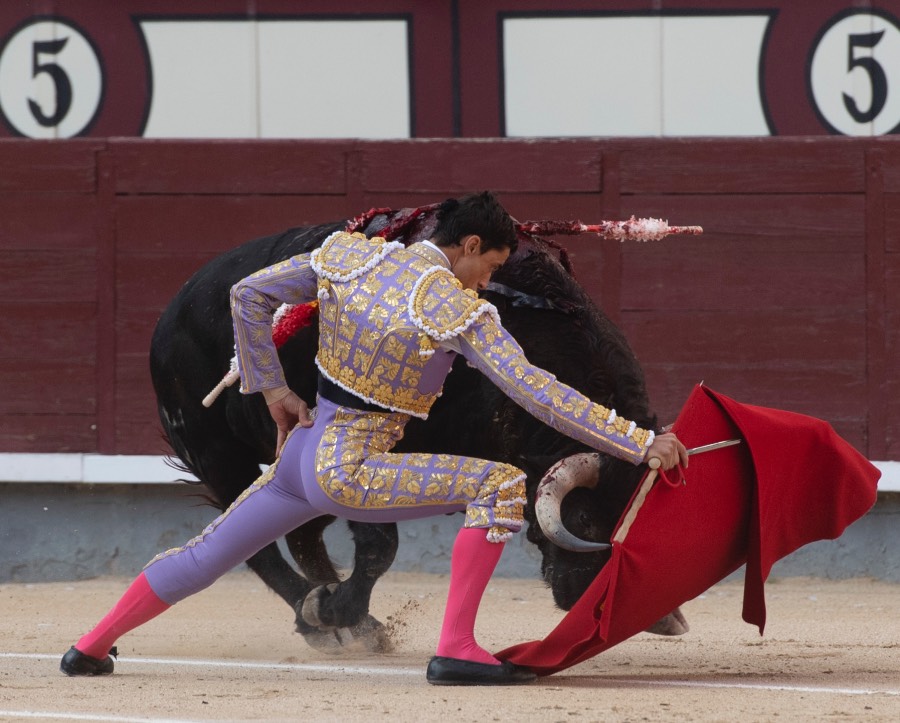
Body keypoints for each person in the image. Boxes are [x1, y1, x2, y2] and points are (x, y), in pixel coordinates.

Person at [60, 191, 687, 685]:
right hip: (354, 468)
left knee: (203, 555)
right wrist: (637, 442)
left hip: (300, 455)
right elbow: (535, 390)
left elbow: (246, 293)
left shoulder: (349, 255)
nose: (488, 282)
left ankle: (90, 647)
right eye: (491, 265)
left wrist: (274, 391)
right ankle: (458, 650)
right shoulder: (455, 310)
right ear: (469, 245)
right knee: (499, 485)